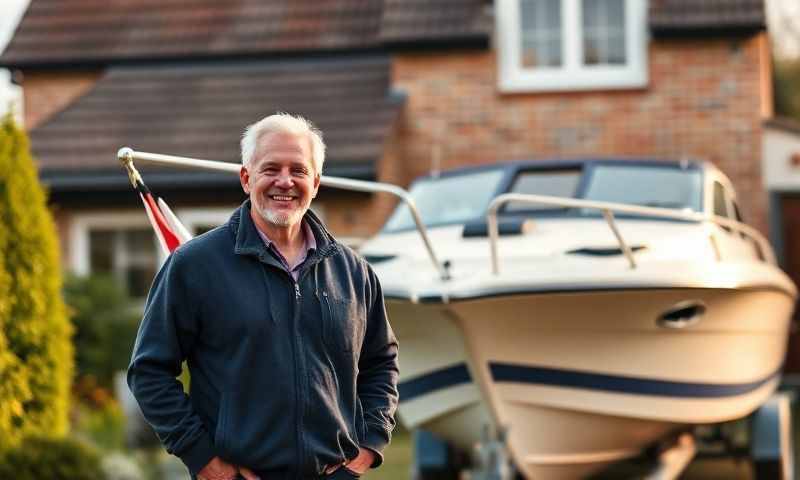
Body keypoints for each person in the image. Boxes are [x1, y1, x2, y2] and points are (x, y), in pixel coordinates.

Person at [128, 113, 399, 480]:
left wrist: (366, 451)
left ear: (315, 183)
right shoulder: (194, 266)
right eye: (270, 168)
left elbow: (381, 364)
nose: (284, 181)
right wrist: (204, 460)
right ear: (246, 178)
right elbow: (149, 372)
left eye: (298, 170)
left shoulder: (354, 272)